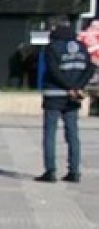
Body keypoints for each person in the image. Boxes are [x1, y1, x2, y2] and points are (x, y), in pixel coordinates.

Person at [36, 20, 95, 183]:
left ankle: (50, 171)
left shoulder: (52, 47)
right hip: (73, 96)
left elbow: (53, 70)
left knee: (50, 133)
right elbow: (90, 68)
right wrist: (77, 87)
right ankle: (74, 172)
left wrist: (68, 86)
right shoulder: (82, 47)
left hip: (54, 95)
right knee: (73, 134)